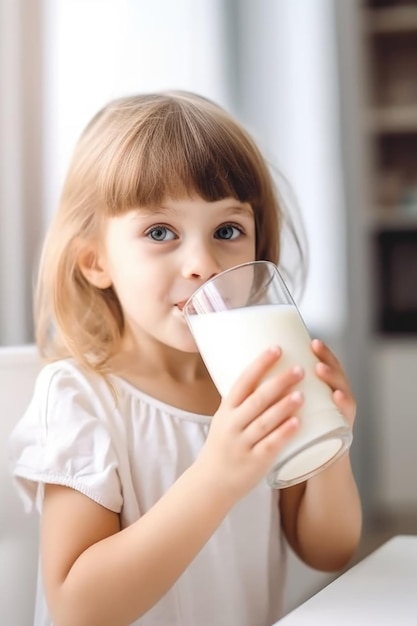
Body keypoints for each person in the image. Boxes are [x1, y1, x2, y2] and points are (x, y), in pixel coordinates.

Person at [8, 91, 362, 626]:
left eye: (227, 231)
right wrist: (217, 477)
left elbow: (327, 551)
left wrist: (329, 445)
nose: (202, 263)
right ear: (95, 261)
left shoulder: (254, 384)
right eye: (159, 232)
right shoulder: (82, 398)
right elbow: (79, 608)